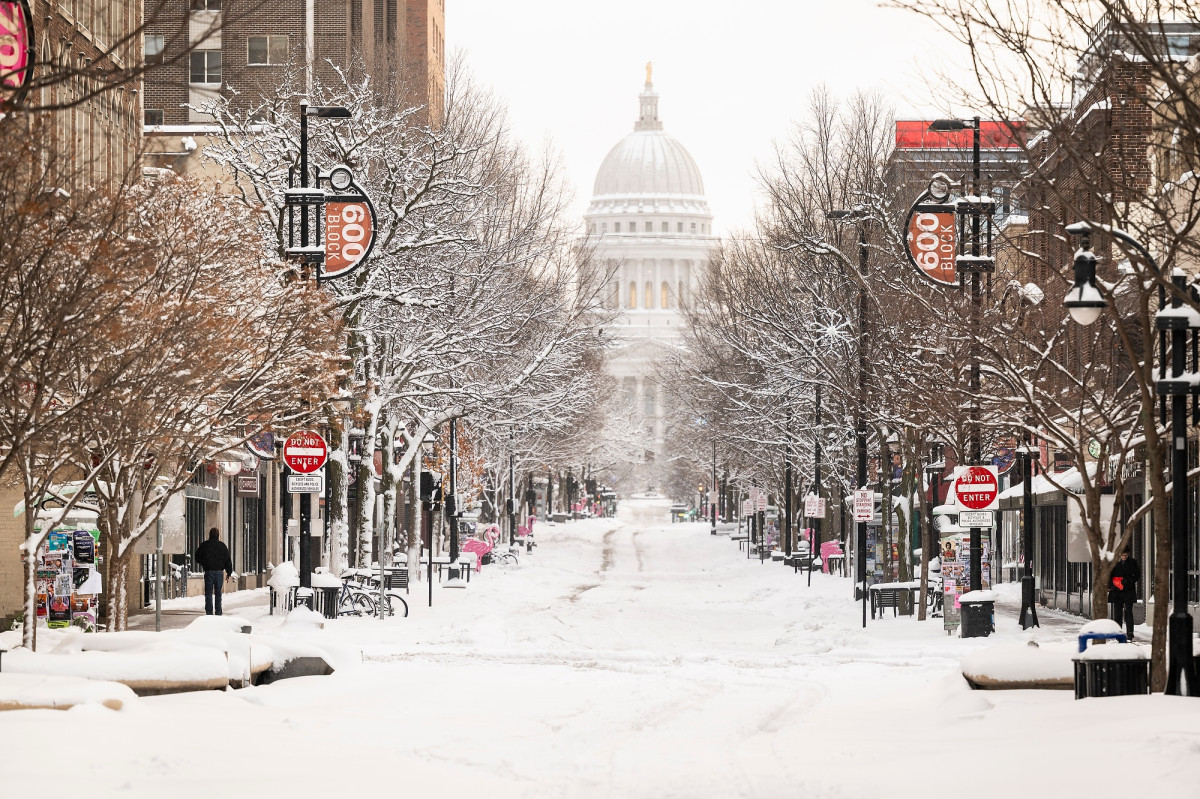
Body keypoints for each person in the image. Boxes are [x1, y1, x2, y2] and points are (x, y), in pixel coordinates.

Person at [194, 527, 233, 616]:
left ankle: (209, 612)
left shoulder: (204, 545)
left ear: (209, 534)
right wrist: (228, 573)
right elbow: (228, 560)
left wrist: (204, 563)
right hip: (219, 572)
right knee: (218, 593)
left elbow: (197, 557)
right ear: (218, 535)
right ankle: (218, 612)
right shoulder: (222, 546)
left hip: (208, 571)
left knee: (208, 593)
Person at [1109, 548, 1140, 639]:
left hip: (1128, 590)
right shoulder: (1114, 562)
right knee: (1117, 613)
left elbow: (1137, 575)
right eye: (1123, 555)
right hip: (1116, 590)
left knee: (1128, 611)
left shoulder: (1133, 562)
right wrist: (1111, 585)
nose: (1124, 557)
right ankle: (1117, 632)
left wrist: (1128, 581)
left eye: (1126, 555)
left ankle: (1130, 632)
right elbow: (1108, 575)